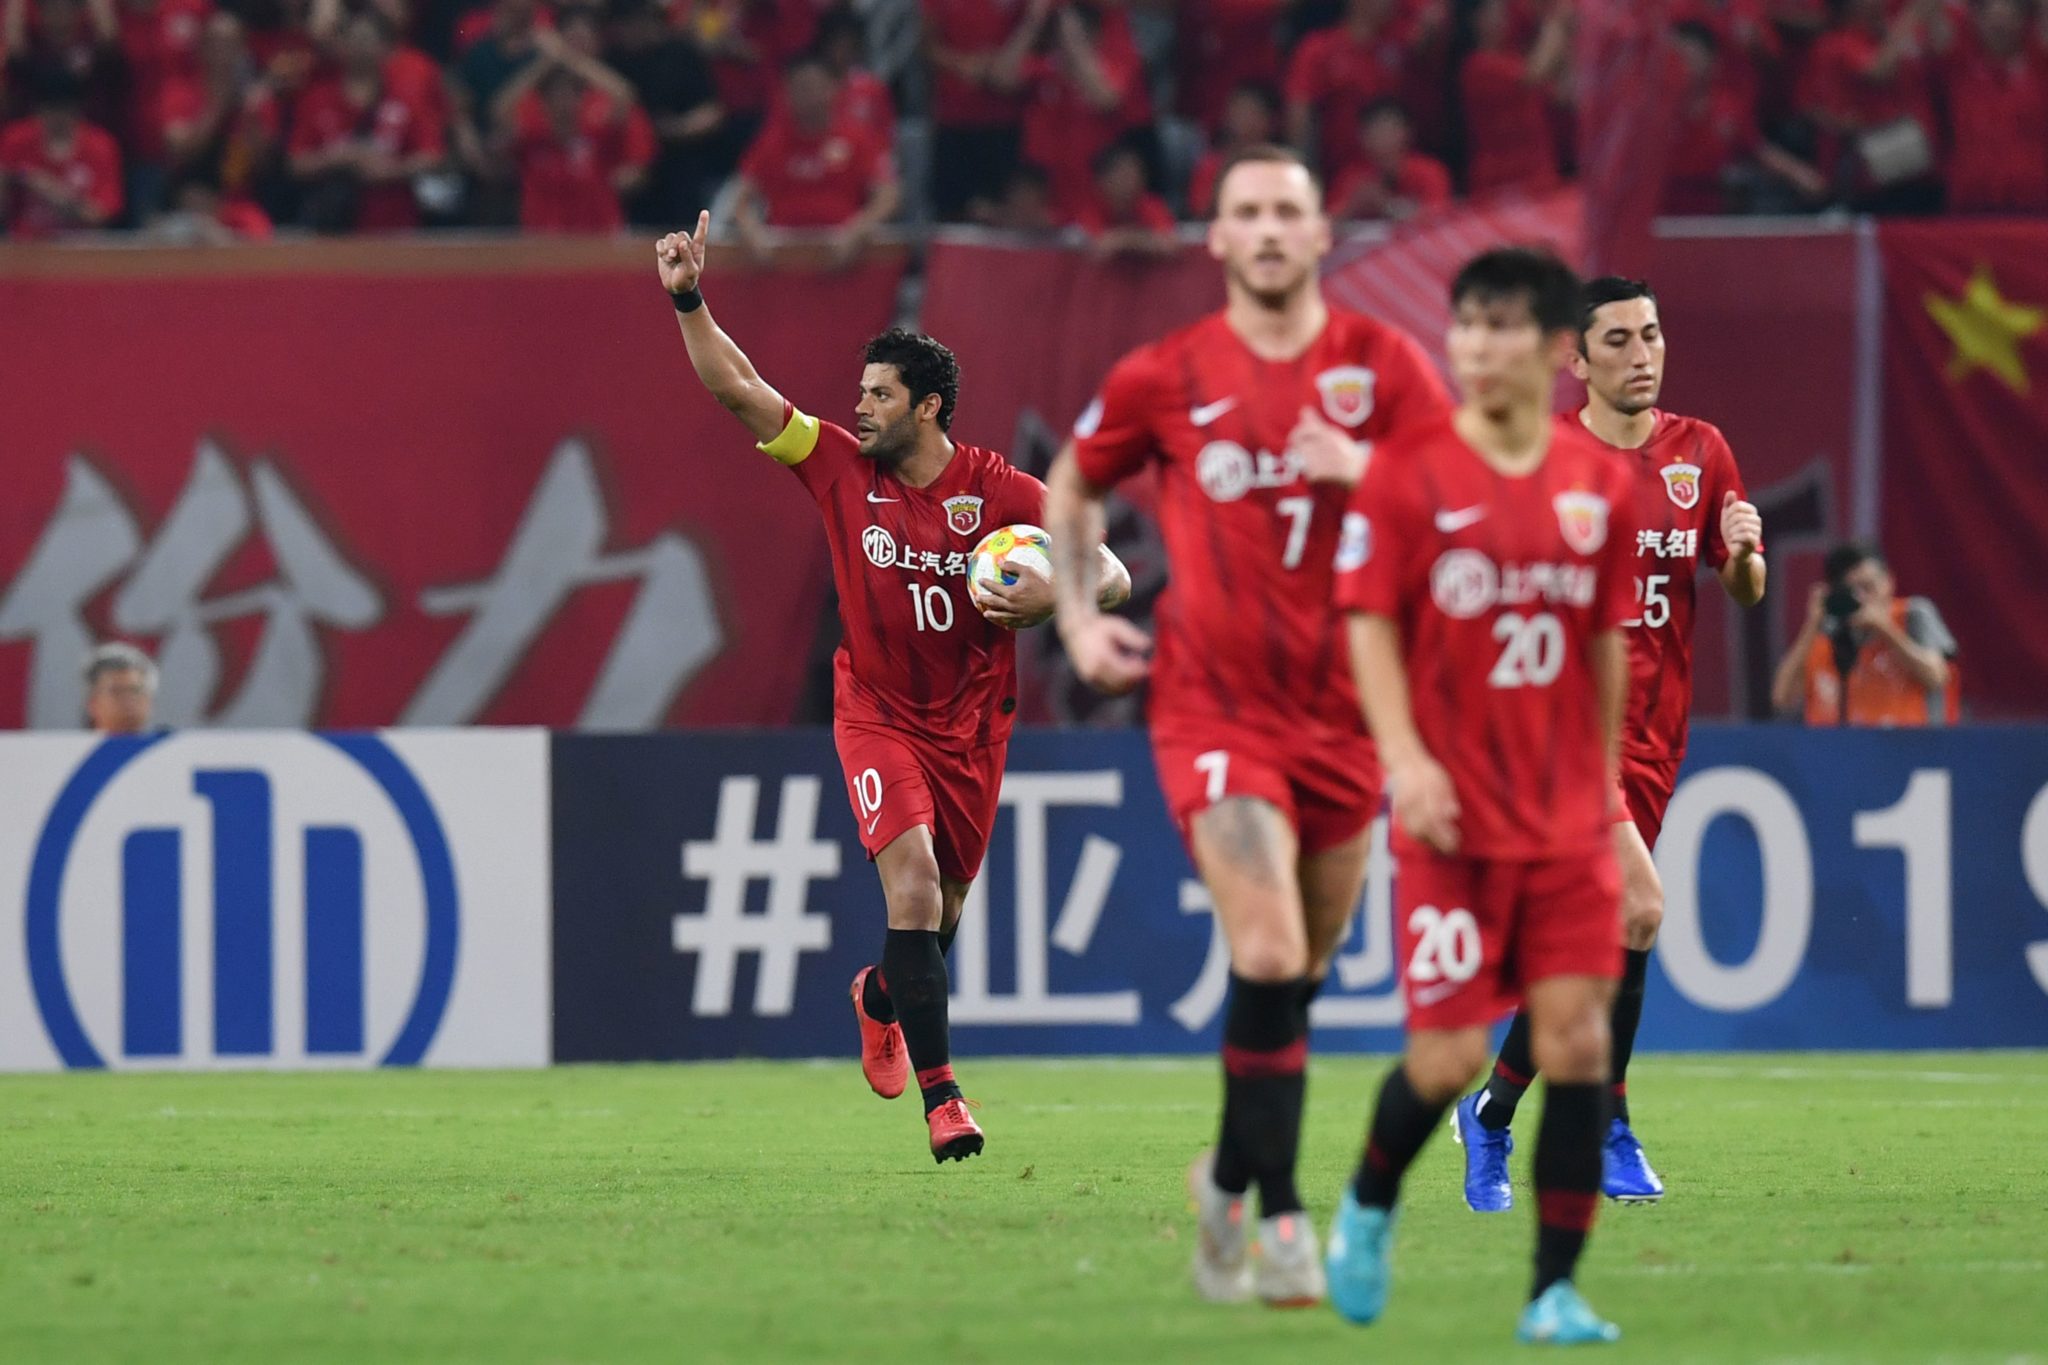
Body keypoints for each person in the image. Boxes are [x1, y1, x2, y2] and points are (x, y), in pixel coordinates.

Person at [1044, 144, 1451, 1308]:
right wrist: (1075, 622)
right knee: (1266, 953)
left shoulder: (1382, 367)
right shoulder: (1164, 374)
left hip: (1345, 722)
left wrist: (1361, 470)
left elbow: (1456, 508)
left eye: (1288, 211)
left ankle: (1223, 1179)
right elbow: (1071, 483)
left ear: (1323, 235)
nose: (1268, 230)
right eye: (1246, 213)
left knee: (1296, 978)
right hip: (1212, 710)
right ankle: (1278, 1222)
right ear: (1213, 239)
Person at [654, 211, 1131, 1163]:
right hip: (874, 711)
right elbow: (740, 392)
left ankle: (879, 996)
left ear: (928, 407)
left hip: (973, 728)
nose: (858, 407)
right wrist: (687, 299)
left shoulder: (1004, 495)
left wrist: (1049, 602)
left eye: (878, 394)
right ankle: (945, 1099)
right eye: (859, 392)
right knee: (912, 890)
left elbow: (1110, 575)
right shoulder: (837, 467)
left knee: (940, 916)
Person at [1325, 247, 1637, 1345]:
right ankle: (1365, 1204)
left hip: (1559, 823)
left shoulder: (1595, 485)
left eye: (1504, 327)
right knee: (1447, 1060)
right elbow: (1365, 622)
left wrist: (1598, 787)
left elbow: (1604, 646)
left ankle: (1552, 1291)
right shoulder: (1405, 473)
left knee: (1578, 1045)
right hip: (1452, 822)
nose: (1478, 346)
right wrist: (1403, 759)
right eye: (1466, 326)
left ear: (1551, 350)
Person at [1452, 276, 1767, 1215]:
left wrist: (1746, 553)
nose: (1643, 354)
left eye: (1652, 335)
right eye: (1620, 341)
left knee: (1588, 947)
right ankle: (1606, 1127)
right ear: (1574, 360)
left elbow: (1739, 589)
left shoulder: (1700, 451)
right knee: (1638, 911)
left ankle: (1495, 1110)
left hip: (1657, 739)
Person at [732, 52, 899, 264]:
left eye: (811, 86)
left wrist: (858, 231)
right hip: (783, 255)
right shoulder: (772, 141)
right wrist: (754, 234)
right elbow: (740, 200)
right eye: (797, 88)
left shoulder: (858, 138)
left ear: (833, 88)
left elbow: (888, 196)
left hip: (841, 253)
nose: (805, 95)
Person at [1771, 539, 1957, 725]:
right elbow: (1782, 698)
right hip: (1840, 748)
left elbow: (1936, 677)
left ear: (1888, 581)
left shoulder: (1913, 615)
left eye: (1868, 587)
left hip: (1908, 747)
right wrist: (1812, 624)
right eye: (1852, 591)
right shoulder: (1828, 631)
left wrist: (1884, 628)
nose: (1862, 598)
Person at [0, 67, 123, 236]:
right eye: (50, 110)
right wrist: (27, 176)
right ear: (38, 109)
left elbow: (101, 215)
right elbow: (7, 178)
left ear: (78, 108)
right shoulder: (16, 139)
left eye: (64, 110)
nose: (57, 119)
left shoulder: (100, 145)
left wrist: (59, 196)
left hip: (81, 246)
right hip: (26, 245)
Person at [84, 642, 158, 733]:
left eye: (135, 691)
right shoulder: (71, 746)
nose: (128, 700)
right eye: (117, 691)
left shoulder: (172, 745)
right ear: (92, 703)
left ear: (149, 701)